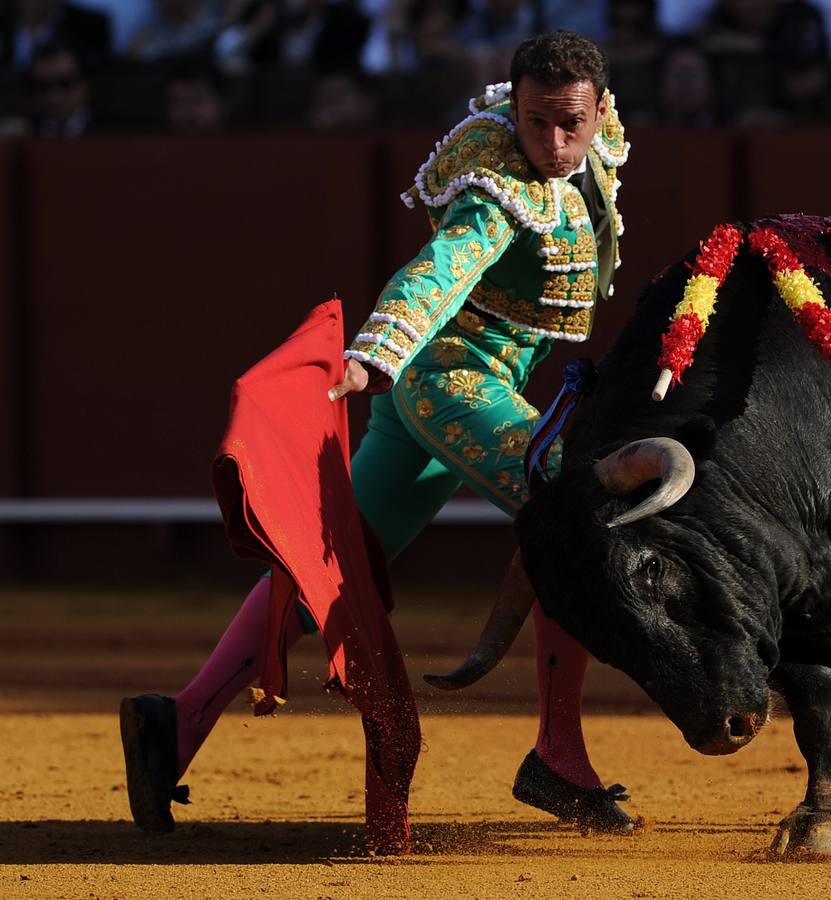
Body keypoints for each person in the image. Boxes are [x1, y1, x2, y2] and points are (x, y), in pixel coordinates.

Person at [120, 30, 635, 836]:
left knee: (335, 562)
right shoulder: (493, 179)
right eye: (537, 123)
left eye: (571, 123)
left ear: (600, 109)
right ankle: (557, 756)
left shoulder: (591, 140)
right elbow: (443, 268)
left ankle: (175, 722)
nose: (555, 143)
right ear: (515, 108)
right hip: (444, 382)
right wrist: (374, 355)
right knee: (570, 506)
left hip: (458, 384)